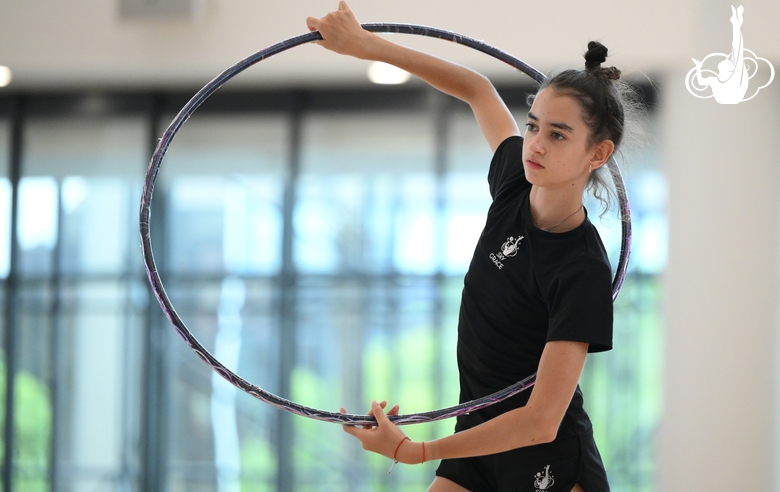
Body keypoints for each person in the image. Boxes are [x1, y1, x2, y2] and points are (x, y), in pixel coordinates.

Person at [306, 3, 633, 491]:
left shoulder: (581, 267)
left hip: (546, 460)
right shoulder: (512, 184)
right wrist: (367, 45)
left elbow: (541, 421)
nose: (536, 144)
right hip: (478, 444)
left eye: (558, 134)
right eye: (534, 124)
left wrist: (416, 451)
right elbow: (478, 89)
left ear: (598, 153)